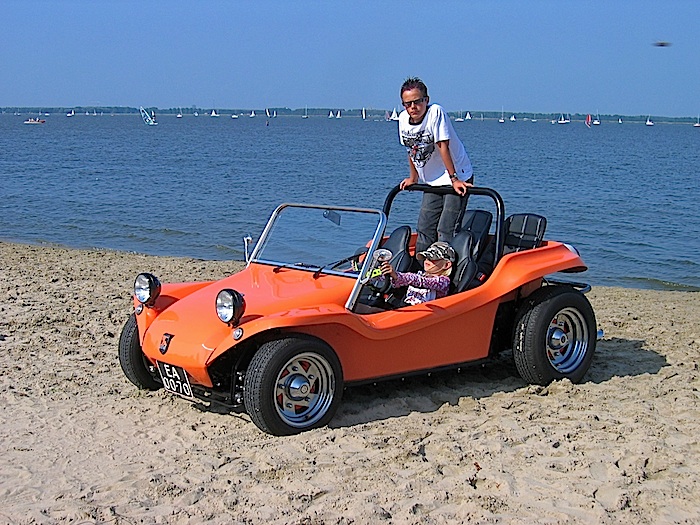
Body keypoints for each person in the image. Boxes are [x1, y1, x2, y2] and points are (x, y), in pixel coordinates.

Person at [397, 77, 474, 254]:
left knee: (446, 229)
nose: (413, 107)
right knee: (425, 227)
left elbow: (442, 146)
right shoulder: (403, 119)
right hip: (432, 180)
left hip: (456, 175)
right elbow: (411, 149)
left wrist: (454, 179)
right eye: (408, 104)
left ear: (426, 100)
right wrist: (413, 177)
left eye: (417, 102)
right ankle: (421, 271)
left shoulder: (435, 113)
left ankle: (446, 275)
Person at [380, 241, 455, 306]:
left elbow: (419, 280)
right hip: (406, 307)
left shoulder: (443, 282)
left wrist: (396, 275)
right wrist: (383, 276)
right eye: (426, 257)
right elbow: (399, 282)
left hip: (424, 314)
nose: (427, 260)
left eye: (432, 259)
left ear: (446, 265)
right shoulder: (420, 274)